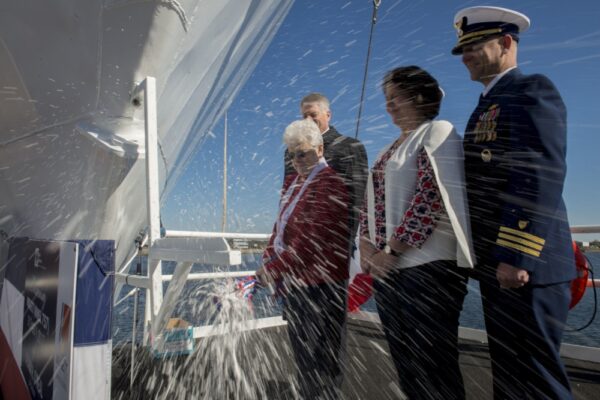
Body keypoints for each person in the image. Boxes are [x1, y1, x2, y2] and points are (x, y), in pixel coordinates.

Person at [451, 6, 577, 399]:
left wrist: (516, 255)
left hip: (525, 267)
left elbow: (538, 175)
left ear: (506, 43)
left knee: (537, 380)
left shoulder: (530, 89)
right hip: (498, 265)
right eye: (462, 50)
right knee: (509, 380)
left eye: (474, 45)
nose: (466, 56)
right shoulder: (486, 104)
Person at [359, 66, 475, 400]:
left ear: (420, 97)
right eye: (387, 99)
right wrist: (366, 247)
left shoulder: (437, 132)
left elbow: (430, 196)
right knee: (406, 362)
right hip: (388, 272)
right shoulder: (386, 151)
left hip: (429, 271)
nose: (389, 106)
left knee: (433, 364)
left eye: (396, 98)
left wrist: (391, 251)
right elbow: (370, 206)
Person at [257, 119, 351, 399]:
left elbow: (311, 240)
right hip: (298, 282)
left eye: (302, 153)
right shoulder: (294, 183)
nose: (296, 160)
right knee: (303, 356)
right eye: (291, 154)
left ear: (320, 149)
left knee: (321, 358)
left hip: (322, 284)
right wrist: (267, 257)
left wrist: (274, 268)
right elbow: (281, 227)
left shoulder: (330, 183)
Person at [284, 93, 368, 249]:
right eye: (304, 116)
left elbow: (357, 199)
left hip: (334, 242)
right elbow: (287, 196)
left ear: (328, 115)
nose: (308, 120)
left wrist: (351, 244)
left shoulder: (349, 147)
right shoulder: (290, 151)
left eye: (313, 114)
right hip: (295, 243)